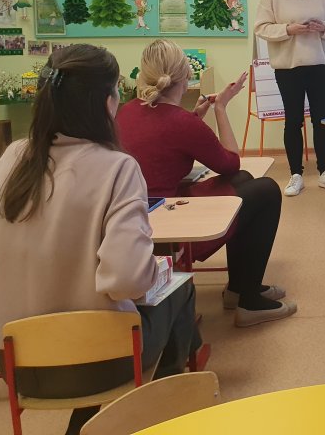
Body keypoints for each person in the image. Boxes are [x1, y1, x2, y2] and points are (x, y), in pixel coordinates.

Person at [0, 45, 201, 435]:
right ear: (107, 103)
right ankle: (153, 414)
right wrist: (145, 274)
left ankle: (95, 423)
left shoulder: (12, 157)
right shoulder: (117, 168)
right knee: (179, 288)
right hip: (102, 360)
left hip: (18, 365)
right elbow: (126, 280)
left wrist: (29, 284)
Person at [117, 39, 294, 326]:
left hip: (138, 215)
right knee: (266, 190)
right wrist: (221, 108)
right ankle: (248, 301)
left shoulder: (128, 110)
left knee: (243, 181)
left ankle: (240, 287)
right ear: (186, 77)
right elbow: (230, 162)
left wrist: (196, 117)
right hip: (168, 228)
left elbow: (164, 137)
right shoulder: (181, 123)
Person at [254, 0, 325, 197]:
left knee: (321, 119)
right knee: (293, 121)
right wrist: (288, 29)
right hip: (288, 68)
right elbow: (261, 27)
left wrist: (324, 27)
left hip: (319, 65)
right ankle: (296, 175)